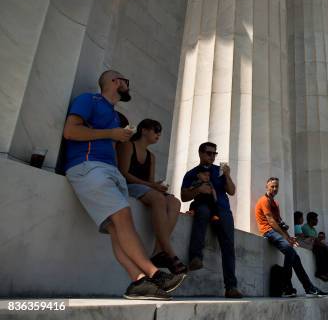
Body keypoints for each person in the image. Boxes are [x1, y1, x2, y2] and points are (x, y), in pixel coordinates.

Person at [63, 70, 185, 300]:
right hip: (89, 166)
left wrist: (118, 135)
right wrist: (112, 133)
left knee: (116, 229)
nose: (129, 87)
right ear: (115, 81)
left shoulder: (113, 114)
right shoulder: (89, 100)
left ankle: (137, 282)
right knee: (123, 218)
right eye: (126, 82)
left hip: (107, 172)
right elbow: (70, 131)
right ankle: (154, 273)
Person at [117, 119, 186, 274]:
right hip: (127, 185)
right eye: (156, 129)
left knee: (174, 201)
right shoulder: (128, 146)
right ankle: (170, 253)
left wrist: (156, 185)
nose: (158, 134)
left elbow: (149, 182)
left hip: (143, 188)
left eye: (160, 131)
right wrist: (153, 186)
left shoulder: (151, 156)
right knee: (158, 197)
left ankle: (157, 252)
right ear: (144, 130)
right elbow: (123, 173)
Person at [181, 142, 243, 299]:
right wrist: (198, 189)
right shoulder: (191, 173)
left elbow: (232, 191)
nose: (212, 156)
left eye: (214, 154)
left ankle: (231, 287)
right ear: (201, 154)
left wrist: (227, 175)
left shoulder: (219, 171)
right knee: (201, 213)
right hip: (202, 206)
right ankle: (196, 257)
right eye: (209, 153)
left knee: (228, 245)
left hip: (222, 209)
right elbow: (183, 196)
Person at [254, 177, 328, 297]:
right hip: (267, 231)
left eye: (276, 186)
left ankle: (307, 288)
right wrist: (286, 238)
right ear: (266, 186)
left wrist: (290, 237)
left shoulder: (275, 203)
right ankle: (289, 286)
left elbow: (280, 222)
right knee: (290, 251)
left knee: (294, 256)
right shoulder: (264, 201)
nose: (274, 189)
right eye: (272, 186)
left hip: (277, 233)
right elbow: (271, 221)